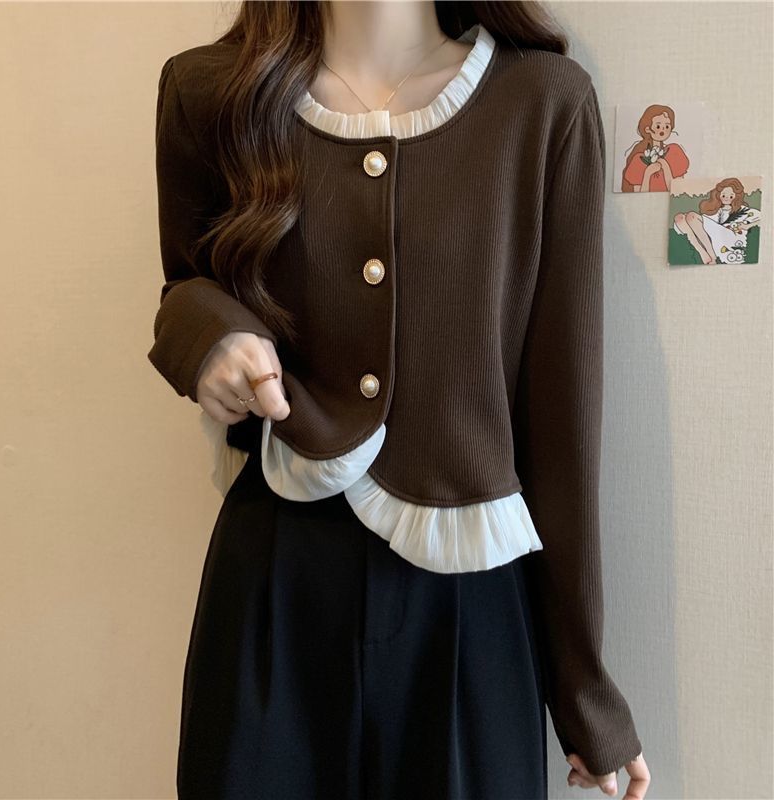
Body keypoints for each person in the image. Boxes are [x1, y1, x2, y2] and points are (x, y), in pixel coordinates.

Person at [147, 2, 652, 798]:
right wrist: (211, 337)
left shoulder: (541, 104)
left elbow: (563, 423)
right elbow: (185, 282)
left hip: (471, 598)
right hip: (277, 572)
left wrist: (584, 691)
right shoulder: (211, 93)